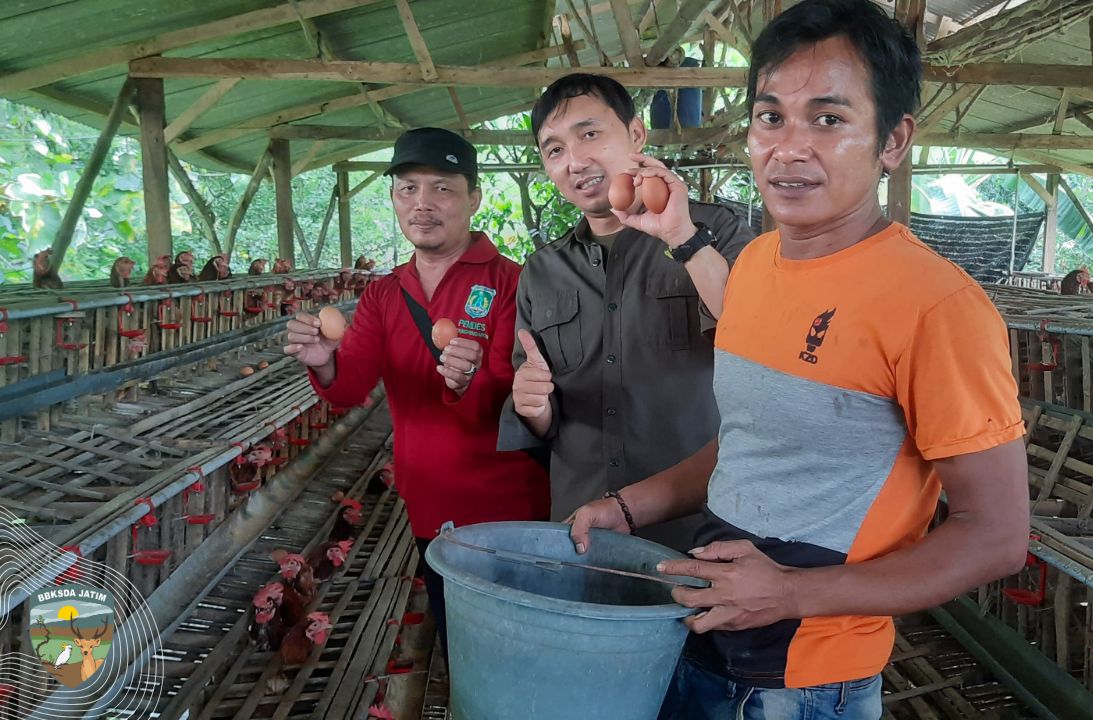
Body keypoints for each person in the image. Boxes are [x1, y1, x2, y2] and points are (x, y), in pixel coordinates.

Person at [567, 2, 1030, 718]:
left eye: (829, 119)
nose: (789, 148)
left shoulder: (936, 305)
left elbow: (996, 536)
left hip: (807, 682)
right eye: (770, 117)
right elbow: (752, 442)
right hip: (704, 637)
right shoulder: (755, 266)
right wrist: (632, 505)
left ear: (893, 140)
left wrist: (789, 592)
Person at [284, 127, 549, 654]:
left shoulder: (513, 282)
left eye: (442, 188)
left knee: (520, 644)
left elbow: (520, 400)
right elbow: (350, 389)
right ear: (394, 198)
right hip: (428, 504)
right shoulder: (384, 294)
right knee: (459, 642)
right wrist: (325, 361)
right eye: (408, 188)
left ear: (474, 198)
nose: (422, 203)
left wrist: (471, 380)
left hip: (509, 506)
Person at [497, 73, 756, 550]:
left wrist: (683, 238)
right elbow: (543, 417)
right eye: (554, 149)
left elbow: (759, 339)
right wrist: (534, 406)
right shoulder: (542, 271)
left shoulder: (714, 231)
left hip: (699, 529)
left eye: (590, 133)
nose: (575, 160)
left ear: (636, 134)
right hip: (583, 530)